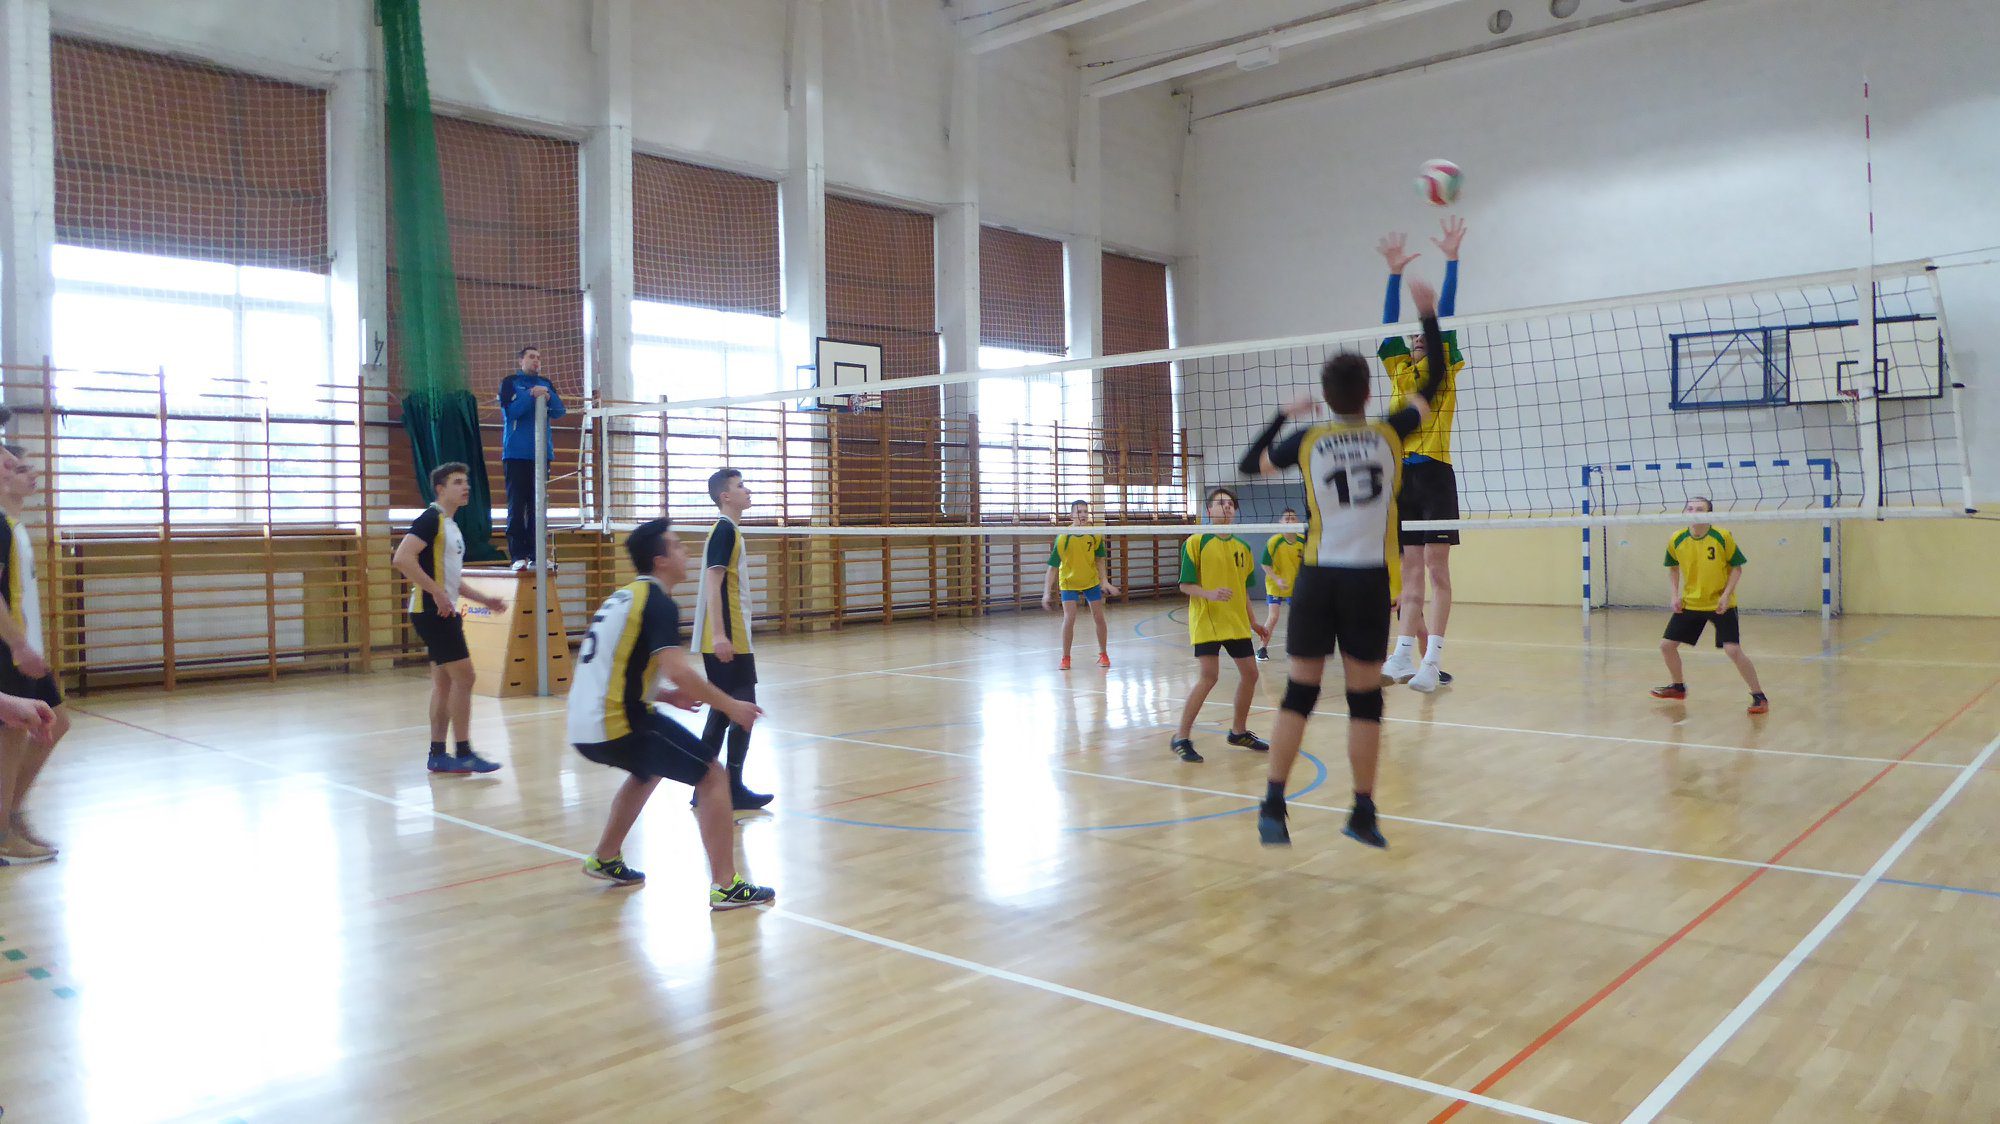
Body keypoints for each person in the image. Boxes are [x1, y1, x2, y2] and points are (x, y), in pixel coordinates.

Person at [1239, 278, 1449, 849]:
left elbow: (1249, 464)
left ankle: (1273, 804)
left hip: (1315, 578)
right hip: (1365, 584)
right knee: (1364, 702)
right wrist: (1427, 314)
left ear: (1327, 397)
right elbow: (1432, 380)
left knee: (1299, 694)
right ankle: (1362, 811)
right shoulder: (1391, 431)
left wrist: (1282, 414)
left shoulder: (1307, 440)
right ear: (1368, 394)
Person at [567, 518, 776, 908]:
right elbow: (679, 670)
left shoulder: (625, 597)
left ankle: (606, 856)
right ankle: (726, 885)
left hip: (583, 723)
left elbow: (614, 666)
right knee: (712, 774)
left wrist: (664, 695)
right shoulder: (658, 602)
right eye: (678, 546)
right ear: (660, 560)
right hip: (618, 721)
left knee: (648, 770)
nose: (687, 552)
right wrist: (731, 706)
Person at [1375, 217, 1467, 693]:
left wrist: (1452, 261)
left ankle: (1432, 662)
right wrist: (1394, 274)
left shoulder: (1443, 372)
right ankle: (1402, 655)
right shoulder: (1398, 372)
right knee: (1409, 570)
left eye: (1422, 338)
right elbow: (1387, 326)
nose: (1416, 340)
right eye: (1413, 339)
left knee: (1436, 568)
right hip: (1402, 478)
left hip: (1435, 474)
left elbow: (1442, 321)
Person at [393, 463, 507, 775]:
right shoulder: (430, 519)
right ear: (440, 489)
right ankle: (464, 752)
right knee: (465, 678)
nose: (465, 487)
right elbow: (402, 558)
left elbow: (452, 580)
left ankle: (438, 754)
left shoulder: (450, 525)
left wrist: (485, 600)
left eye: (466, 482)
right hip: (434, 613)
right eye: (457, 482)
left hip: (440, 610)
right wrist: (437, 593)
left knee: (444, 684)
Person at [1168, 487, 1271, 763]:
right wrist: (1209, 594)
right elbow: (1185, 585)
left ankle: (1238, 732)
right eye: (1221, 503)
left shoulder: (1243, 547)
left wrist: (1253, 622)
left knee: (1251, 674)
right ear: (1209, 510)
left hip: (1235, 621)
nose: (1227, 507)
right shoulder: (1196, 542)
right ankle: (1181, 737)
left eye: (1230, 505)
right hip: (1207, 620)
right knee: (1209, 676)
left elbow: (1243, 590)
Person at [0, 445, 67, 864]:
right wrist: (18, 645)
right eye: (16, 467)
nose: (29, 474)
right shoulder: (1, 527)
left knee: (56, 722)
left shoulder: (16, 528)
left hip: (26, 648)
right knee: (13, 736)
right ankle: (5, 828)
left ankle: (12, 813)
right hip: (11, 651)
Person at [694, 468, 772, 810]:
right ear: (725, 496)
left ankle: (705, 787)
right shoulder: (724, 531)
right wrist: (719, 635)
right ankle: (732, 787)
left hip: (731, 636)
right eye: (741, 486)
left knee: (724, 711)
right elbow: (713, 583)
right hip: (729, 638)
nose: (747, 490)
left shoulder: (730, 531)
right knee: (742, 711)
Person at [1651, 498, 1769, 714]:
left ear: (1709, 514)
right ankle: (1678, 687)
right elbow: (1673, 568)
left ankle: (1759, 696)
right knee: (1666, 646)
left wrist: (1726, 595)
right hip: (1691, 602)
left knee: (1733, 650)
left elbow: (1737, 568)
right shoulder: (1677, 538)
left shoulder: (1722, 536)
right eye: (1690, 508)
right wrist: (1675, 595)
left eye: (1699, 509)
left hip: (1720, 603)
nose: (1694, 512)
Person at [497, 344, 566, 570]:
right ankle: (518, 555)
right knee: (517, 506)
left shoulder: (545, 383)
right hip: (516, 455)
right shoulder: (510, 383)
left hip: (541, 455)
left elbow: (559, 411)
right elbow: (511, 412)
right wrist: (530, 395)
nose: (536, 360)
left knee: (538, 507)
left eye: (538, 357)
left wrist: (547, 395)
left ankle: (537, 554)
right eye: (531, 357)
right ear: (521, 361)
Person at [1042, 499, 1121, 671]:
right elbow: (1053, 568)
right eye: (1079, 512)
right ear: (1071, 515)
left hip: (1090, 581)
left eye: (1086, 511)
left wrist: (1104, 581)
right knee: (1069, 618)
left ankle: (1103, 654)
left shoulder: (1094, 535)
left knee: (1099, 617)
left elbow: (1100, 560)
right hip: (1069, 582)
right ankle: (1066, 658)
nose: (1083, 515)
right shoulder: (1063, 538)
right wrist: (1046, 592)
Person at [1256, 508, 1305, 662]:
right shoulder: (1274, 541)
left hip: (1295, 586)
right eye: (1287, 518)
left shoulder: (1303, 540)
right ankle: (1261, 649)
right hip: (1275, 584)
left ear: (1298, 522)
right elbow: (1265, 564)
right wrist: (1277, 579)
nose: (1290, 521)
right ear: (1281, 522)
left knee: (1299, 617)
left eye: (1293, 518)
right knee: (1274, 616)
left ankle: (1296, 648)